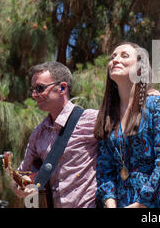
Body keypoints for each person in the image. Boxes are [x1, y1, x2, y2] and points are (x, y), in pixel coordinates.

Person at [94, 42, 160, 208]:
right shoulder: (107, 115)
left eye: (124, 56)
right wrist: (110, 203)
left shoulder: (155, 104)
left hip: (157, 204)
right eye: (113, 56)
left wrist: (141, 204)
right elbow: (104, 168)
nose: (115, 60)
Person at [12, 61, 99, 207]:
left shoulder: (91, 119)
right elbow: (20, 176)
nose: (34, 95)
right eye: (33, 89)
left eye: (40, 88)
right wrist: (20, 187)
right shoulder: (38, 133)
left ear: (62, 88)